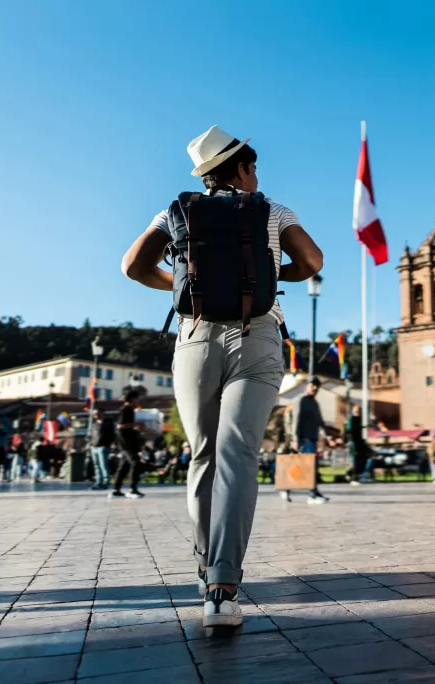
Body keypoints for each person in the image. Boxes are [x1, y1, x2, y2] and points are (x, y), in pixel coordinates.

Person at [122, 125, 322, 627]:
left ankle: (204, 566)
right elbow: (313, 261)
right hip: (257, 335)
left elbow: (131, 266)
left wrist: (181, 287)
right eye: (252, 167)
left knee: (204, 454)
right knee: (237, 453)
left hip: (194, 338)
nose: (256, 176)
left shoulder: (177, 211)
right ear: (241, 167)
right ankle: (223, 587)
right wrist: (274, 276)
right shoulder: (273, 211)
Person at [281, 377, 329, 503]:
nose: (315, 388)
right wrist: (295, 440)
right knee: (310, 467)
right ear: (307, 386)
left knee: (300, 467)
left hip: (312, 438)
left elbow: (320, 422)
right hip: (304, 439)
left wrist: (328, 436)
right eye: (312, 385)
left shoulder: (314, 403)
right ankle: (312, 495)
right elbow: (296, 421)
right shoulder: (300, 400)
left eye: (317, 386)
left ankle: (286, 488)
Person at [108, 390, 145, 499]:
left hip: (127, 441)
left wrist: (135, 428)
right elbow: (120, 426)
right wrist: (135, 424)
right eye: (137, 398)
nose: (138, 401)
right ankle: (132, 489)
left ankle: (116, 490)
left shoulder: (130, 410)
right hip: (126, 442)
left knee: (123, 466)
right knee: (135, 462)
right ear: (132, 398)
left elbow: (126, 426)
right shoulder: (126, 409)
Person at [89, 409, 115, 490]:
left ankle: (106, 482)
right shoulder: (94, 424)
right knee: (96, 466)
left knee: (103, 465)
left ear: (102, 414)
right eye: (94, 414)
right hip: (94, 447)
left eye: (97, 413)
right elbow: (92, 435)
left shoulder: (108, 423)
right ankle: (98, 482)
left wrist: (110, 444)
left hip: (103, 447)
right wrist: (91, 445)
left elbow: (112, 435)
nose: (95, 415)